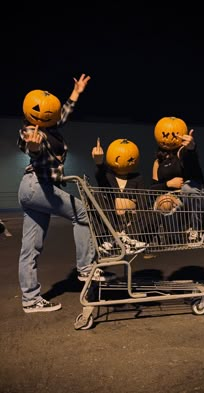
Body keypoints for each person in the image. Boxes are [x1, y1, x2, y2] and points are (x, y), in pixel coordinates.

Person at [17, 73, 116, 314]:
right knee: (83, 212)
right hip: (38, 186)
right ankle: (85, 268)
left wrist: (76, 92)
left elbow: (61, 114)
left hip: (32, 190)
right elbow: (31, 146)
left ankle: (30, 300)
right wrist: (32, 146)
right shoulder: (32, 131)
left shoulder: (53, 127)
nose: (44, 113)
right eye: (39, 109)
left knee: (31, 247)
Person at [91, 137, 149, 255]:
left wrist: (127, 204)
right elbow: (100, 176)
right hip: (111, 221)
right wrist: (99, 163)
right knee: (96, 196)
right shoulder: (107, 175)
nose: (126, 161)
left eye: (131, 159)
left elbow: (142, 202)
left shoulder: (137, 178)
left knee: (150, 208)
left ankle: (126, 237)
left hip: (131, 223)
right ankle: (114, 236)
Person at [151, 126, 204, 245]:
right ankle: (174, 236)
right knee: (163, 201)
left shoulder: (183, 152)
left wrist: (191, 148)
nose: (170, 138)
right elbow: (153, 188)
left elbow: (194, 166)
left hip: (188, 199)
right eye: (165, 134)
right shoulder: (158, 162)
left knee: (188, 188)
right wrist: (168, 184)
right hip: (172, 198)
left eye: (174, 134)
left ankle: (196, 230)